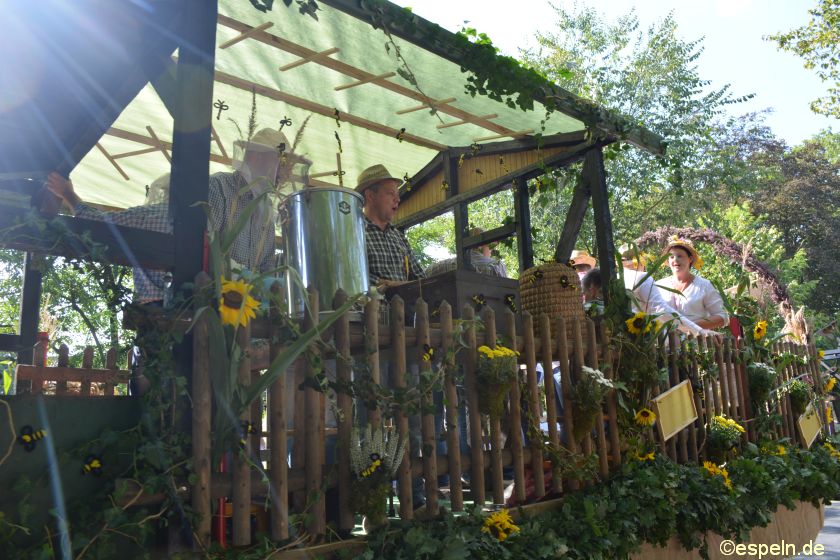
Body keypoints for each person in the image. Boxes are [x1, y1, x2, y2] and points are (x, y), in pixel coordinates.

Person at [46, 171, 173, 305]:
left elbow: (95, 223)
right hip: (187, 308)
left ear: (165, 191)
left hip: (155, 309)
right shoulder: (190, 222)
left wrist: (68, 193)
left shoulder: (151, 214)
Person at [619, 244, 713, 336]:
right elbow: (660, 309)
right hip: (638, 338)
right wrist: (699, 331)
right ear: (640, 262)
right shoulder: (642, 277)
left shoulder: (615, 279)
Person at [356, 164, 425, 288]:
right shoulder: (354, 233)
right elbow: (352, 273)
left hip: (405, 300)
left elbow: (421, 278)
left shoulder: (399, 237)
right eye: (391, 193)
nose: (397, 199)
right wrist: (386, 285)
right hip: (371, 301)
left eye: (397, 194)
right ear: (370, 195)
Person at [657, 237, 729, 330]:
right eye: (671, 257)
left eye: (680, 256)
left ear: (690, 259)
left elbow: (722, 317)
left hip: (697, 338)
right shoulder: (659, 286)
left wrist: (690, 326)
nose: (675, 260)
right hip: (665, 339)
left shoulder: (704, 285)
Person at [424, 227, 507, 277]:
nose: (491, 251)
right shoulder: (497, 266)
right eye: (490, 246)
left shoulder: (441, 266)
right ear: (480, 246)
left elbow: (425, 274)